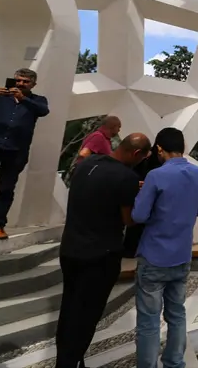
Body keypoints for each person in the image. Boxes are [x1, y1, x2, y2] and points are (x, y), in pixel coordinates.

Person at [55, 133, 151, 368]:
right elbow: (128, 219)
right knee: (86, 315)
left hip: (70, 248)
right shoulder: (126, 177)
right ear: (136, 154)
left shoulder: (86, 164)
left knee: (69, 308)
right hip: (100, 256)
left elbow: (99, 190)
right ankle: (69, 362)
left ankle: (67, 360)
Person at [132, 128, 198, 368]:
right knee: (177, 314)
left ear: (159, 149)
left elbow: (138, 215)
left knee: (149, 320)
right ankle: (175, 363)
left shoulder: (156, 176)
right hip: (182, 255)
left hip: (154, 256)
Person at [0, 68, 49, 240]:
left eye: (25, 82)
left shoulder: (37, 100)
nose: (21, 84)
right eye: (18, 80)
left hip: (16, 151)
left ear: (33, 84)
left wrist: (23, 99)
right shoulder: (0, 97)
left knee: (6, 189)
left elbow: (43, 111)